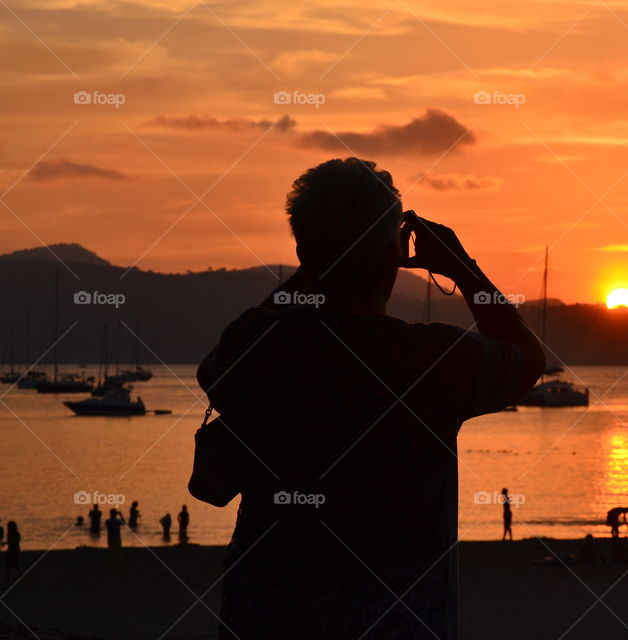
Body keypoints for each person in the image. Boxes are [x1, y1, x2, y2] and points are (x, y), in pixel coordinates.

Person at [190, 158, 544, 639]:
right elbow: (525, 358)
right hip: (397, 619)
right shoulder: (425, 358)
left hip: (263, 615)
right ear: (394, 254)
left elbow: (214, 368)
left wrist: (317, 258)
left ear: (302, 249)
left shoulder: (254, 343)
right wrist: (462, 268)